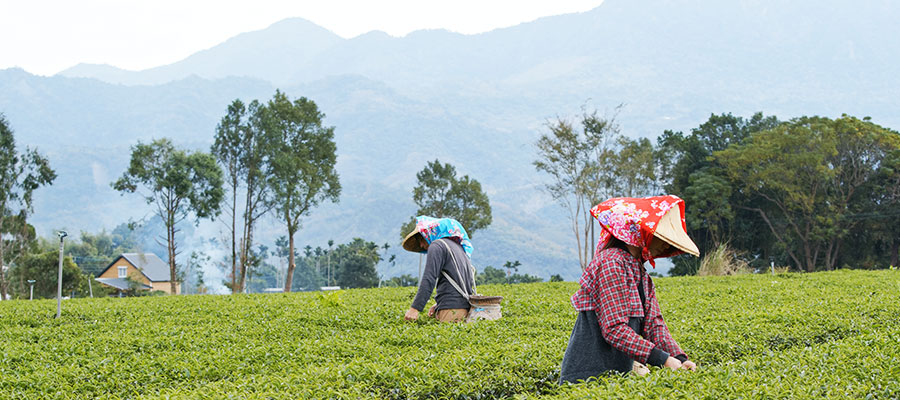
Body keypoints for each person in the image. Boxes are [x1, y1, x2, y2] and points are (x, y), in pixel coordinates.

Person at [559, 195, 700, 383]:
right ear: (645, 232)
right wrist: (663, 360)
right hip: (587, 378)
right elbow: (614, 328)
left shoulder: (640, 272)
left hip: (617, 378)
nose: (666, 245)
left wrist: (680, 359)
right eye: (662, 237)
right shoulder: (611, 263)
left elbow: (654, 325)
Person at [402, 216, 476, 323]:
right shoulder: (457, 247)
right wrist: (439, 303)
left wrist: (415, 308)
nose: (421, 245)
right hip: (465, 307)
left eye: (421, 239)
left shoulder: (437, 245)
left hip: (451, 310)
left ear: (428, 233)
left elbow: (429, 278)